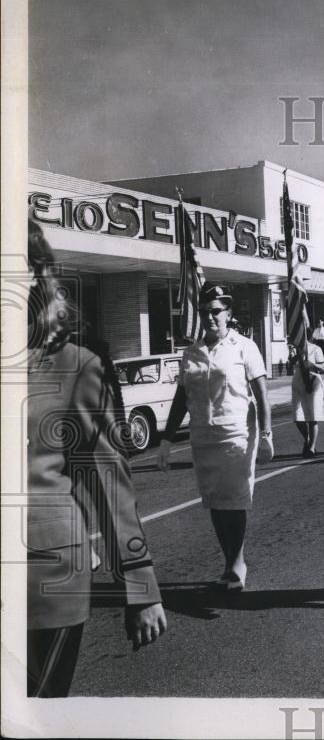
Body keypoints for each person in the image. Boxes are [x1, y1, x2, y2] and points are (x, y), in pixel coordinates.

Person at [26, 219, 166, 697]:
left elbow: (106, 481)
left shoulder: (75, 363)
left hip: (42, 577)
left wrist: (139, 585)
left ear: (33, 276)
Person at [158, 283, 273, 592]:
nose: (210, 317)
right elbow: (182, 399)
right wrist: (167, 442)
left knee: (234, 501)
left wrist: (266, 434)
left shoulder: (244, 347)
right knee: (216, 502)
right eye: (205, 312)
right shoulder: (191, 353)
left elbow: (262, 396)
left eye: (216, 312)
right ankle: (229, 562)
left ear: (228, 314)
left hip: (236, 434)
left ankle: (237, 564)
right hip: (203, 436)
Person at [291, 338, 324, 457]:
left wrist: (312, 364)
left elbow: (323, 369)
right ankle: (307, 438)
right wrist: (296, 355)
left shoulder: (316, 349)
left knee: (312, 417)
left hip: (313, 383)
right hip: (298, 384)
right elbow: (290, 364)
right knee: (298, 417)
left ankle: (311, 447)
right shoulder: (296, 350)